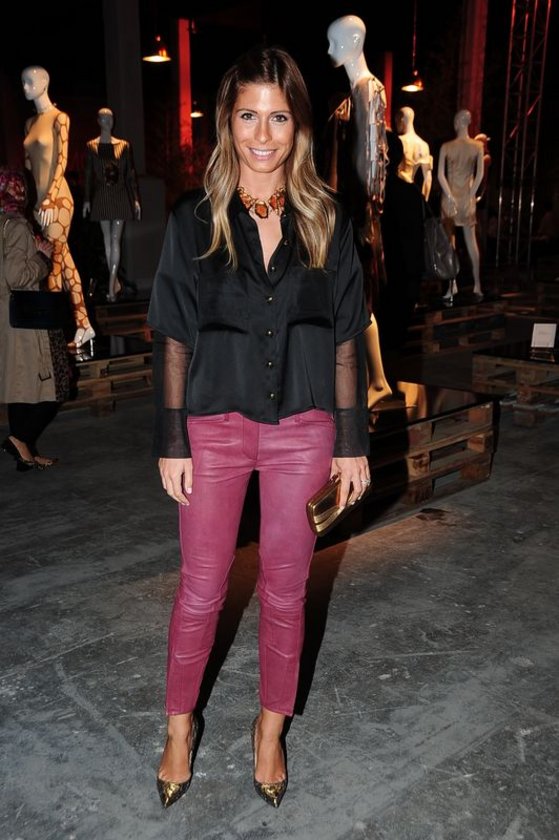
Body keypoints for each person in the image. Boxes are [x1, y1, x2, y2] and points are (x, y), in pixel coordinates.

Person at [147, 45, 371, 811]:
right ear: (227, 123)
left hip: (304, 429)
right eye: (248, 116)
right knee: (201, 589)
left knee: (284, 590)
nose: (262, 134)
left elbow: (345, 338)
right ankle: (179, 726)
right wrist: (172, 439)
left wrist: (351, 442)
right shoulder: (192, 218)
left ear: (298, 126)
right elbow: (173, 336)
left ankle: (270, 727)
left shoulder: (328, 217)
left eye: (277, 117)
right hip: (211, 428)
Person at [326, 14, 392, 407]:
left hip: (358, 211)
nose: (329, 50)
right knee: (353, 296)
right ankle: (372, 378)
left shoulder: (367, 89)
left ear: (354, 41)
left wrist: (369, 210)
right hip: (352, 208)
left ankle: (378, 380)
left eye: (335, 42)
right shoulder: (355, 92)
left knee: (360, 298)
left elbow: (372, 156)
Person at [21, 65, 95, 352]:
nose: (25, 88)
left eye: (30, 82)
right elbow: (29, 165)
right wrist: (33, 201)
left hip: (58, 200)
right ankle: (83, 324)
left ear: (44, 82)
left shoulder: (59, 118)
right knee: (65, 262)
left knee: (53, 263)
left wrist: (50, 198)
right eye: (23, 82)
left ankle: (52, 332)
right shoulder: (29, 123)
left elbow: (61, 160)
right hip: (39, 203)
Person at [0, 168, 70, 470]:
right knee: (55, 387)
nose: (23, 192)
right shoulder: (16, 226)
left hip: (10, 319)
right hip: (26, 321)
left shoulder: (3, 223)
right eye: (19, 188)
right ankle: (19, 440)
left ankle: (25, 454)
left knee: (20, 387)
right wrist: (42, 256)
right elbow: (16, 276)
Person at [83, 107, 141, 302]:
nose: (109, 122)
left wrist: (135, 199)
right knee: (108, 240)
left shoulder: (123, 145)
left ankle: (111, 288)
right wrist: (86, 199)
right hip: (101, 196)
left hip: (120, 195)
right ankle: (114, 283)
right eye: (104, 118)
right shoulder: (92, 146)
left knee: (115, 240)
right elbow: (89, 174)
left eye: (111, 118)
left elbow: (130, 174)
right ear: (98, 121)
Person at [378, 130, 425, 358]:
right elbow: (418, 233)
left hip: (387, 268)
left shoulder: (375, 194)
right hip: (407, 268)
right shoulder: (410, 192)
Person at [437, 109, 484, 301]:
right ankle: (477, 284)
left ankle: (452, 286)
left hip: (449, 199)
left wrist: (449, 196)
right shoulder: (477, 146)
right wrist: (470, 196)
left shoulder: (447, 147)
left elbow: (440, 175)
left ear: (457, 123)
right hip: (466, 199)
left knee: (450, 244)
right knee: (471, 242)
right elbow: (479, 175)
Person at [395, 106, 433, 200]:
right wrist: (424, 202)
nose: (396, 125)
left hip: (397, 191)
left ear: (402, 120)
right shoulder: (423, 145)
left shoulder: (398, 141)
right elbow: (428, 179)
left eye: (397, 121)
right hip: (412, 192)